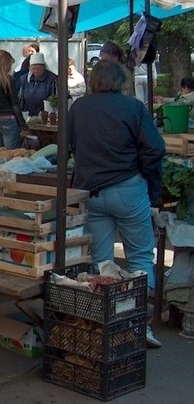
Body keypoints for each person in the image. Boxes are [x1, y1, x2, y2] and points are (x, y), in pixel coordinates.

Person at [67, 59, 165, 348]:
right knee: (140, 258)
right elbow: (155, 148)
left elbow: (69, 145)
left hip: (91, 192)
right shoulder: (133, 107)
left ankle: (103, 323)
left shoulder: (78, 108)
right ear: (120, 80)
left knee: (101, 263)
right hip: (128, 188)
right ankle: (138, 325)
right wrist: (146, 176)